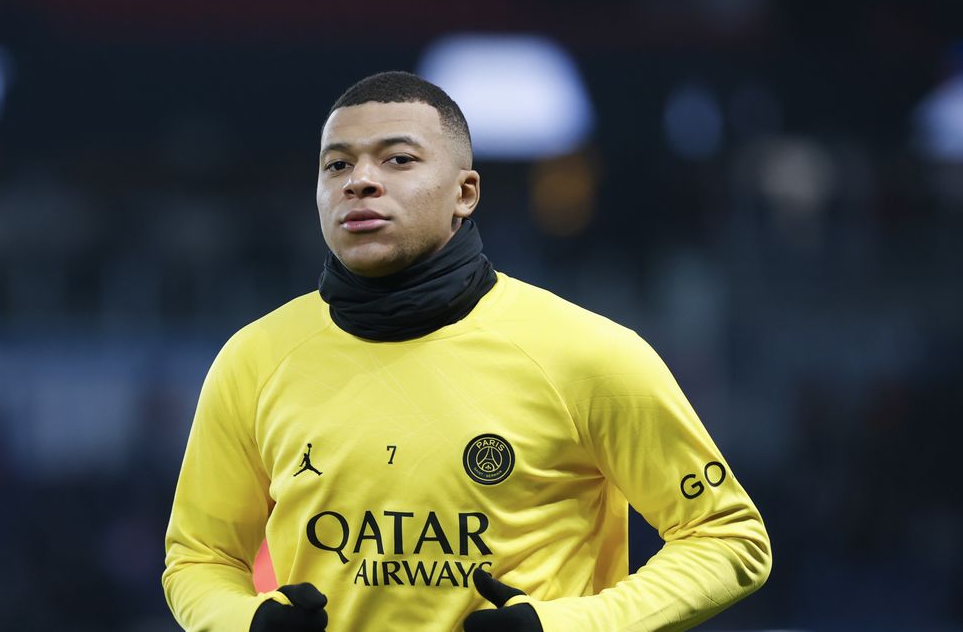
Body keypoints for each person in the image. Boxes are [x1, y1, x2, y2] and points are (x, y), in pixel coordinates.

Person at [162, 71, 771, 631]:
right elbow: (199, 557)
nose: (360, 180)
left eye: (398, 159)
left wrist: (569, 627)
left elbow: (728, 538)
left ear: (466, 193)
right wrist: (245, 624)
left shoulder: (589, 355)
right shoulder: (255, 359)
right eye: (336, 165)